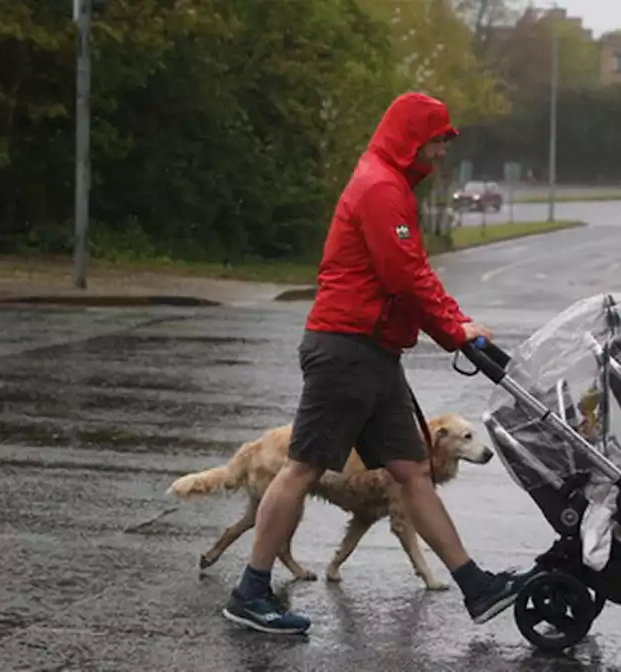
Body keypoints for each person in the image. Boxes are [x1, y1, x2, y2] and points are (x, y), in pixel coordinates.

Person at [222, 92, 538, 635]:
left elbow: (413, 272)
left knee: (414, 472)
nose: (441, 154)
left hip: (377, 351)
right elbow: (403, 277)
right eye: (438, 141)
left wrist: (456, 323)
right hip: (345, 349)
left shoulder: (390, 186)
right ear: (414, 138)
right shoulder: (378, 188)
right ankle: (251, 590)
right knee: (303, 468)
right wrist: (451, 330)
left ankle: (476, 587)